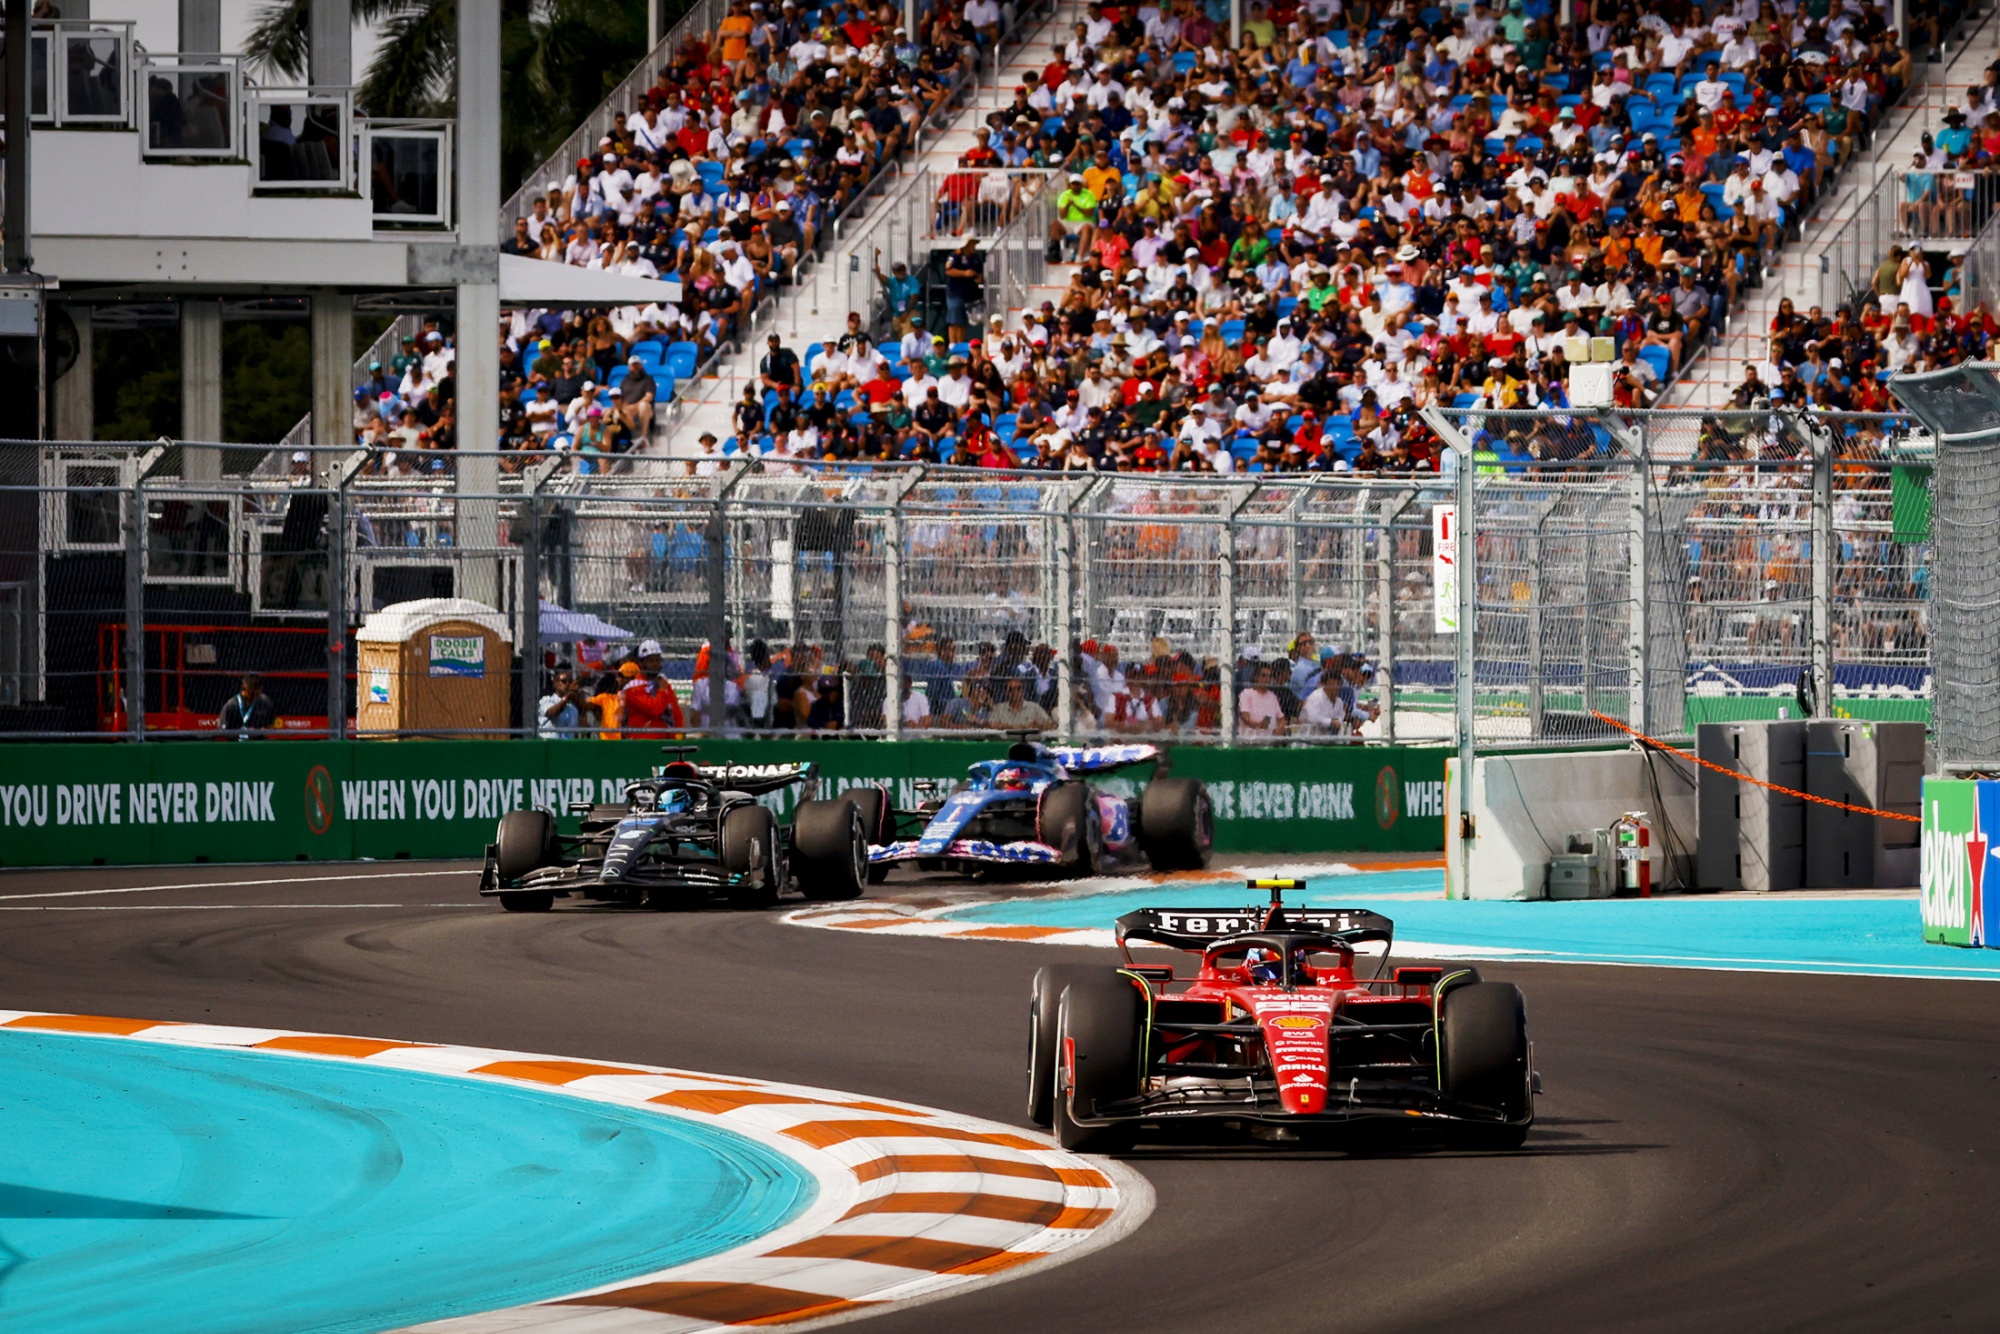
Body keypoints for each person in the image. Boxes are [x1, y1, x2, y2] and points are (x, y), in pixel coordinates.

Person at [621, 639, 685, 738]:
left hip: (665, 741)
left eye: (657, 660)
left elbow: (675, 711)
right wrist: (662, 691)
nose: (655, 664)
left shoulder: (663, 683)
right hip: (640, 741)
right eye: (651, 661)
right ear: (641, 663)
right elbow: (655, 709)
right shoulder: (633, 688)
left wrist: (679, 734)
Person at [987, 669, 1054, 732]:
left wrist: (1039, 726)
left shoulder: (1034, 708)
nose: (1015, 692)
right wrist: (1018, 727)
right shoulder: (999, 709)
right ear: (1006, 692)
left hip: (1030, 742)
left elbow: (1052, 725)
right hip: (1006, 742)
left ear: (1023, 691)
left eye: (1018, 688)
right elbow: (990, 726)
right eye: (1010, 689)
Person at [537, 666, 591, 738]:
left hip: (568, 746)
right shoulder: (546, 700)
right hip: (549, 745)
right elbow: (552, 714)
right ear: (555, 683)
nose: (568, 684)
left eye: (570, 681)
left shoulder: (574, 705)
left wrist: (580, 702)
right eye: (564, 681)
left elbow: (584, 728)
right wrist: (568, 695)